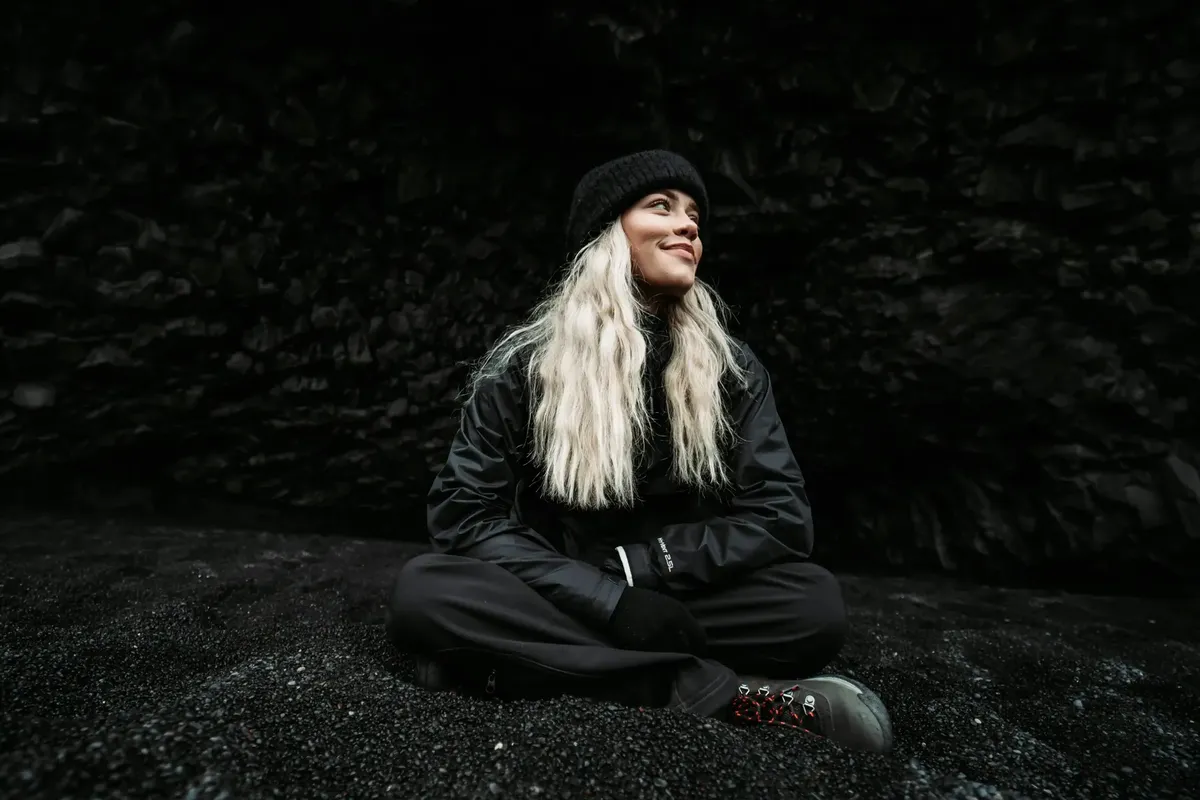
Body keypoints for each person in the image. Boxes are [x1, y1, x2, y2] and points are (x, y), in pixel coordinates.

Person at [385, 150, 894, 753]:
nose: (689, 227)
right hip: (559, 588)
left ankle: (505, 666)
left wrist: (644, 571)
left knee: (811, 606)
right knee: (426, 591)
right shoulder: (523, 368)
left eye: (694, 217)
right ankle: (721, 694)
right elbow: (463, 514)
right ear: (606, 235)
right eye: (662, 207)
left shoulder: (734, 372)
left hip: (682, 596)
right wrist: (608, 600)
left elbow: (781, 516)